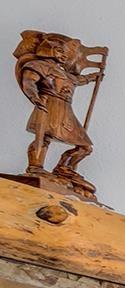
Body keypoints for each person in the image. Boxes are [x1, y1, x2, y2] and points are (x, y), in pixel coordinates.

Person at [12, 30, 106, 199]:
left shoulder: (64, 72)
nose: (64, 56)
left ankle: (64, 168)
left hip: (65, 110)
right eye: (60, 51)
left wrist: (95, 77)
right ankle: (35, 167)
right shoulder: (37, 66)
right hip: (49, 104)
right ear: (48, 50)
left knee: (85, 147)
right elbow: (29, 81)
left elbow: (79, 80)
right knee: (44, 138)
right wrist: (34, 96)